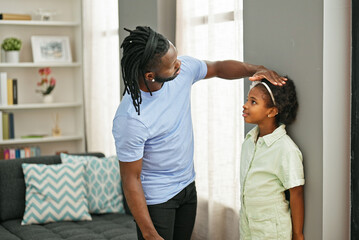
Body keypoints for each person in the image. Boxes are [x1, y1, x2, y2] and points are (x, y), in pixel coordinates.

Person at [112, 26, 287, 240]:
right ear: (151, 76)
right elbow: (131, 178)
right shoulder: (131, 118)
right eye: (172, 64)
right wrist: (149, 234)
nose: (180, 65)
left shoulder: (181, 71)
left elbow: (218, 68)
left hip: (187, 187)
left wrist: (255, 69)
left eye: (176, 58)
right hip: (157, 199)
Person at [240, 78, 304, 240]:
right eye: (248, 99)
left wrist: (297, 234)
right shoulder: (248, 141)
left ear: (272, 111)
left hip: (272, 230)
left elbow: (296, 193)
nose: (245, 105)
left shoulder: (285, 149)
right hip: (248, 224)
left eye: (253, 102)